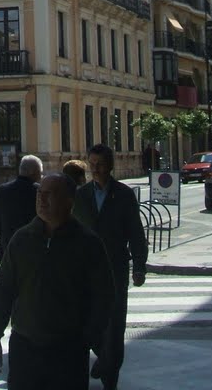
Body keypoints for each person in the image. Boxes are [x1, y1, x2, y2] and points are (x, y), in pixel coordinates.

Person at [0, 173, 113, 389]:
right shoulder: (22, 240)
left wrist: (91, 339)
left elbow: (104, 296)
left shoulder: (87, 243)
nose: (41, 200)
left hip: (68, 349)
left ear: (68, 201)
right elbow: (4, 291)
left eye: (49, 195)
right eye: (39, 194)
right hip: (25, 346)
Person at [72, 144, 148, 390]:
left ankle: (110, 377)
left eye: (100, 164)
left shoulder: (124, 194)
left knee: (115, 326)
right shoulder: (81, 195)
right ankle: (104, 358)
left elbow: (136, 232)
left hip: (115, 267)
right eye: (91, 164)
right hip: (85, 270)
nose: (95, 169)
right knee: (89, 323)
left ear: (110, 165)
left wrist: (139, 265)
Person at [0, 154, 43, 263]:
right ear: (33, 172)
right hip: (33, 249)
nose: (41, 176)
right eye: (40, 172)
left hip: (8, 248)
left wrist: (3, 241)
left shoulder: (1, 190)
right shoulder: (39, 191)